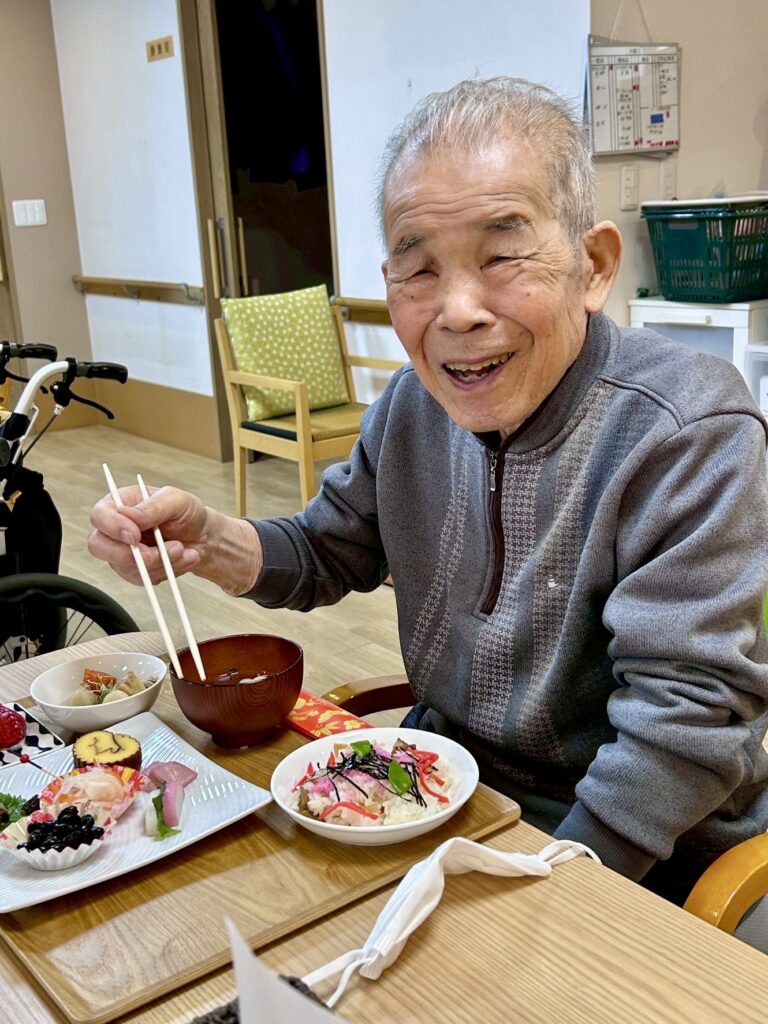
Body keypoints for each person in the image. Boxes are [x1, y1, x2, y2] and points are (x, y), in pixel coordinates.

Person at [89, 78, 768, 935]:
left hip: (642, 853)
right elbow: (328, 549)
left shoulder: (686, 428)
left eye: (501, 256)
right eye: (418, 269)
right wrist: (206, 539)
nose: (457, 311)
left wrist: (544, 893)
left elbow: (684, 722)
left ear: (593, 266)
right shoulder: (413, 407)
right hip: (446, 795)